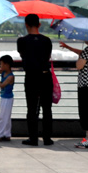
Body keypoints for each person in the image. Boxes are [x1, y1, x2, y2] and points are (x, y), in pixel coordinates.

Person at [17, 13, 54, 146]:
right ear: (39, 24)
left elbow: (22, 54)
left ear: (26, 25)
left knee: (32, 109)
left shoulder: (21, 41)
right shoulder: (47, 41)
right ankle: (47, 138)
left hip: (31, 77)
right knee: (47, 109)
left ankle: (33, 138)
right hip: (45, 76)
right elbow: (48, 56)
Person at [61, 40, 88, 148]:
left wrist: (78, 60)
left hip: (86, 85)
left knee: (86, 112)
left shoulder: (87, 50)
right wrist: (68, 47)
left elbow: (79, 66)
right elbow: (84, 55)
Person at [0, 55, 15, 142]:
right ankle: (6, 133)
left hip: (7, 99)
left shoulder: (10, 77)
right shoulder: (3, 72)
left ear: (7, 65)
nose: (0, 66)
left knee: (2, 116)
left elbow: (2, 86)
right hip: (4, 97)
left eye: (1, 64)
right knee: (6, 117)